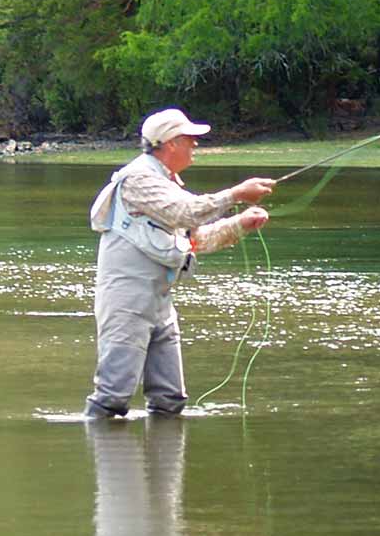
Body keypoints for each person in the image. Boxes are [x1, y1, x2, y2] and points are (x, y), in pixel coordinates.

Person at [85, 108, 274, 419]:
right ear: (170, 143)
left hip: (159, 303)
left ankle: (164, 464)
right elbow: (184, 213)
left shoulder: (167, 184)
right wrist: (236, 194)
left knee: (170, 401)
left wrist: (241, 224)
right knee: (112, 398)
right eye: (190, 139)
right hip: (126, 302)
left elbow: (196, 239)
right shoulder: (138, 180)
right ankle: (111, 462)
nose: (195, 145)